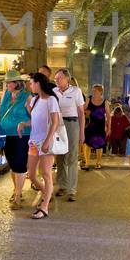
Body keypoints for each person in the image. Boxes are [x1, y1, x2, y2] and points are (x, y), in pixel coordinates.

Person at [26, 72, 63, 219]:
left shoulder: (51, 100)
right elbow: (35, 120)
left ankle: (45, 206)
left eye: (31, 83)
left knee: (46, 174)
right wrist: (24, 123)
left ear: (38, 83)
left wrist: (47, 140)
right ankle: (47, 193)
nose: (30, 85)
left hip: (45, 140)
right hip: (34, 141)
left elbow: (55, 122)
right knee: (32, 175)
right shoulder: (34, 100)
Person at [0, 78, 33, 208]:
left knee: (19, 165)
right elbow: (1, 113)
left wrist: (24, 123)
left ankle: (18, 197)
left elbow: (34, 117)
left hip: (21, 135)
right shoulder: (6, 94)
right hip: (6, 135)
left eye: (10, 82)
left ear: (18, 83)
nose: (7, 84)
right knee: (12, 165)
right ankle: (16, 190)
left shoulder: (27, 97)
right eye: (6, 82)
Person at [52, 69, 85, 201]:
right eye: (56, 79)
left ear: (67, 79)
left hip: (72, 124)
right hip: (58, 125)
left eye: (59, 78)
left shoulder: (75, 91)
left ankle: (72, 190)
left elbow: (81, 112)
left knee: (72, 156)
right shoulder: (53, 92)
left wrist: (82, 131)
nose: (57, 81)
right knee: (59, 156)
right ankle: (62, 185)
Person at [83, 84, 108, 170]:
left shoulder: (105, 102)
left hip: (100, 126)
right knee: (87, 144)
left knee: (99, 145)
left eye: (95, 91)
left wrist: (109, 127)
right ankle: (87, 163)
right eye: (93, 90)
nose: (93, 92)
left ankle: (98, 163)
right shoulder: (88, 99)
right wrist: (86, 111)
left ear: (100, 92)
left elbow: (108, 115)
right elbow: (82, 109)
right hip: (90, 125)